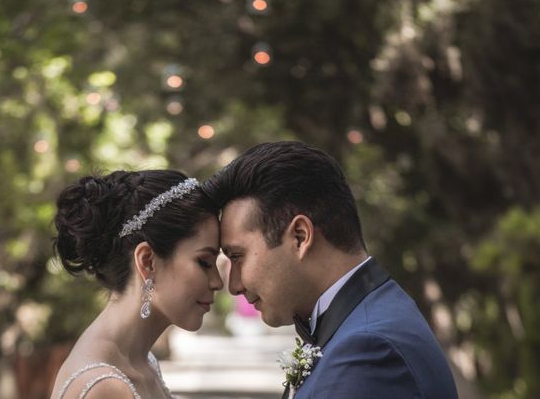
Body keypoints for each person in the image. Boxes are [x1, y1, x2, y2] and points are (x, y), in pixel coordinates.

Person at [202, 141, 458, 399]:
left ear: (300, 237)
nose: (233, 285)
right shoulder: (365, 319)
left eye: (237, 256)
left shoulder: (368, 351)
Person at [50, 170, 223, 399]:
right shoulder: (104, 388)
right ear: (147, 261)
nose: (217, 282)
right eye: (204, 262)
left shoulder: (143, 363)